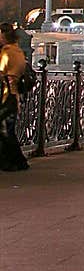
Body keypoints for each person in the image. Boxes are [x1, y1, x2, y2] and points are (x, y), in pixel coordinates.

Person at [0, 23, 29, 172]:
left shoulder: (6, 52)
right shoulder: (18, 51)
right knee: (7, 130)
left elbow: (1, 71)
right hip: (15, 94)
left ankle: (13, 161)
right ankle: (18, 161)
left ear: (3, 35)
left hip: (6, 95)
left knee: (5, 130)